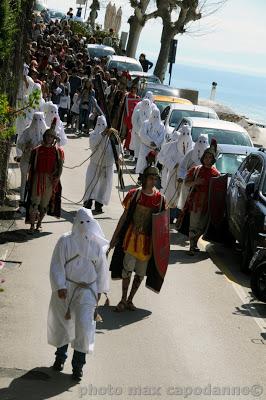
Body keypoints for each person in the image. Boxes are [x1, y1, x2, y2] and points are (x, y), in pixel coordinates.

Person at [47, 207, 109, 381]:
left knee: (84, 327)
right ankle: (60, 358)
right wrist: (59, 285)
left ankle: (78, 366)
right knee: (64, 325)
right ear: (75, 223)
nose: (84, 225)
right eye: (81, 222)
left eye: (87, 222)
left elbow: (102, 269)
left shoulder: (96, 245)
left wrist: (99, 290)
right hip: (66, 288)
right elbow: (57, 264)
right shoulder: (65, 241)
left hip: (88, 291)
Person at [109, 165, 166, 311]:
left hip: (147, 243)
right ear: (145, 178)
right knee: (127, 269)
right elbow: (124, 217)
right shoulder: (135, 194)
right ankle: (122, 299)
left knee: (140, 273)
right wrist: (115, 237)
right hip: (131, 239)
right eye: (150, 178)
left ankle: (130, 299)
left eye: (155, 179)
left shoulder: (160, 200)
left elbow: (162, 227)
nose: (153, 181)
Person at [25, 125, 64, 233]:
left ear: (54, 139)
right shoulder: (36, 150)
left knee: (44, 205)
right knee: (34, 203)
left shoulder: (57, 152)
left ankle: (39, 224)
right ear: (44, 137)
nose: (49, 138)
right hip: (37, 178)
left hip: (49, 180)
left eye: (51, 137)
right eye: (47, 136)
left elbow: (60, 167)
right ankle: (32, 226)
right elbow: (30, 166)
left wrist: (56, 178)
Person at [184, 139, 220, 255]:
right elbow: (186, 183)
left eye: (210, 158)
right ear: (203, 157)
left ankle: (194, 243)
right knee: (193, 225)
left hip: (207, 204)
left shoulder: (216, 174)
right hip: (196, 202)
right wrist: (196, 182)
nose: (207, 159)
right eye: (206, 157)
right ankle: (192, 246)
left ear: (213, 160)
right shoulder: (196, 170)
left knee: (203, 227)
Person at [84, 116, 121, 214]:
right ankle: (87, 203)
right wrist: (103, 134)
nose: (101, 127)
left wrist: (118, 155)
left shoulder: (112, 137)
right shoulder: (93, 135)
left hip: (107, 166)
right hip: (95, 165)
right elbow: (93, 145)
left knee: (103, 186)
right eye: (99, 124)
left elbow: (118, 149)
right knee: (91, 183)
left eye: (103, 125)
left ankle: (99, 204)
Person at [158, 124, 193, 222]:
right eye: (183, 133)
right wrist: (173, 164)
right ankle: (170, 217)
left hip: (186, 178)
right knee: (171, 196)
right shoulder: (171, 146)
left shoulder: (193, 148)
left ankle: (179, 218)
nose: (185, 136)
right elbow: (161, 158)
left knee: (182, 197)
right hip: (172, 175)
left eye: (188, 134)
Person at [16, 112, 48, 213]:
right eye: (35, 120)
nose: (37, 123)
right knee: (24, 182)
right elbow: (19, 143)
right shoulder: (27, 131)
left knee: (37, 184)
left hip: (40, 162)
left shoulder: (47, 132)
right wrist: (26, 146)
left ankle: (35, 206)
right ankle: (22, 204)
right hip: (26, 160)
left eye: (40, 120)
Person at [135, 108, 165, 178]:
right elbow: (142, 134)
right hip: (145, 147)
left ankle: (150, 178)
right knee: (143, 163)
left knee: (153, 164)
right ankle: (141, 177)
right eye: (154, 116)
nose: (155, 118)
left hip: (155, 149)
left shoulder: (161, 126)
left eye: (157, 116)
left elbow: (162, 137)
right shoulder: (145, 123)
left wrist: (156, 143)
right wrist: (150, 142)